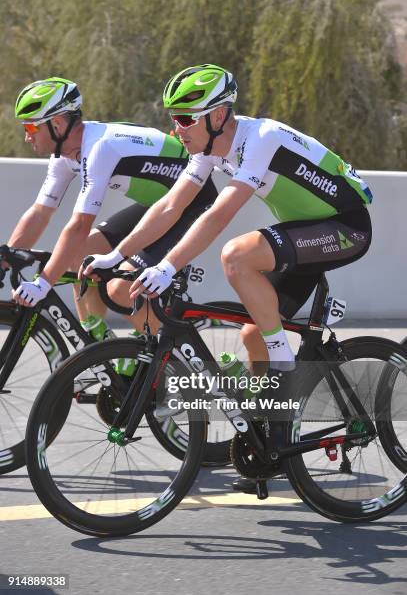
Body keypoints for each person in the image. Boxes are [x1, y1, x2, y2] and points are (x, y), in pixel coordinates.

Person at [82, 63, 373, 491]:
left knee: (237, 256)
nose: (176, 128)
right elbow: (168, 208)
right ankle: (272, 441)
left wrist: (168, 266)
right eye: (172, 118)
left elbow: (219, 215)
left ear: (218, 116)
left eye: (184, 118)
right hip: (306, 234)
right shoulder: (209, 150)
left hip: (344, 227)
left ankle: (286, 365)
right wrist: (117, 255)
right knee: (253, 334)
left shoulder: (262, 139)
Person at [8, 77, 218, 342]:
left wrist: (43, 283)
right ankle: (99, 348)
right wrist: (8, 255)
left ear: (57, 124)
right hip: (158, 204)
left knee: (121, 289)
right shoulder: (63, 156)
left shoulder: (99, 148)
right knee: (79, 256)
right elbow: (39, 213)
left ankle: (173, 351)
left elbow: (79, 225)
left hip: (192, 203)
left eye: (30, 127)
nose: (26, 137)